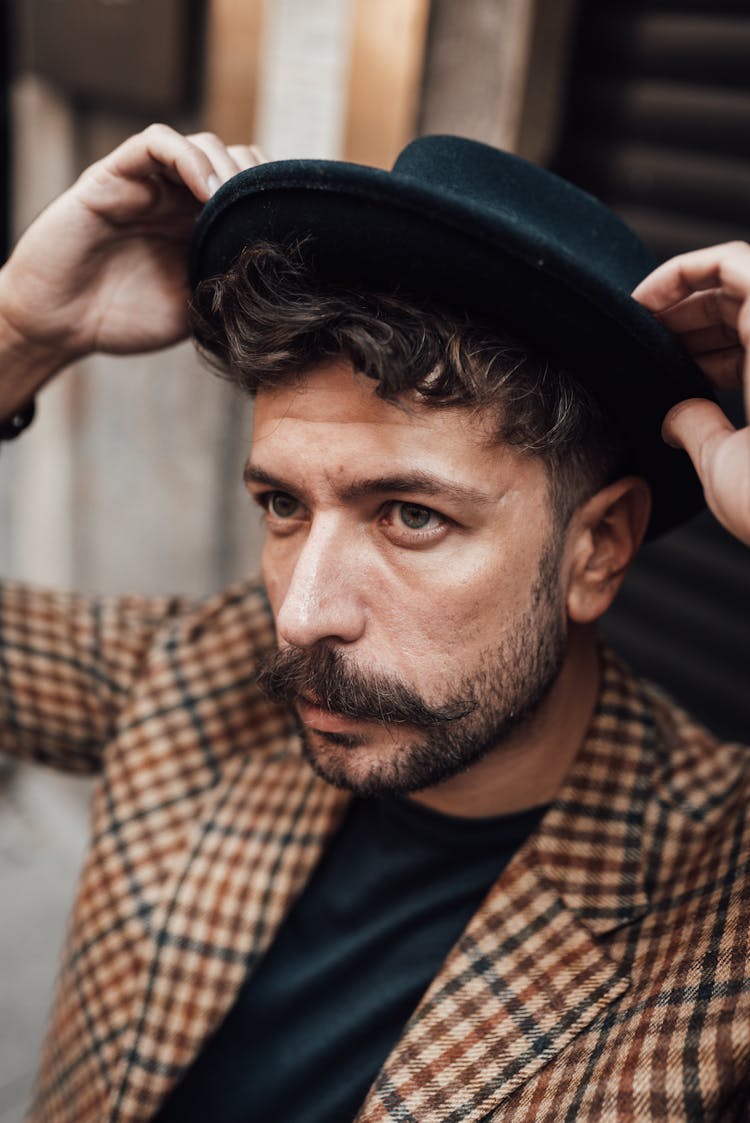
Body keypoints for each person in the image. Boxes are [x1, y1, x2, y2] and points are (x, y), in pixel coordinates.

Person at [0, 124, 748, 1123]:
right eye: (283, 505)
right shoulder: (196, 674)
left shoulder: (720, 903)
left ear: (599, 546)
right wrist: (18, 335)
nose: (303, 616)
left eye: (412, 516)